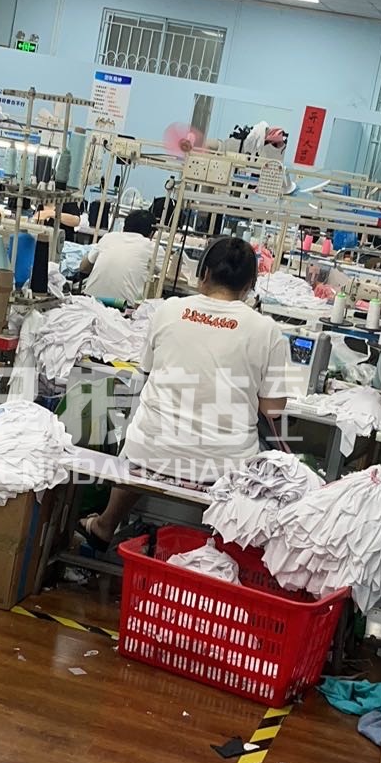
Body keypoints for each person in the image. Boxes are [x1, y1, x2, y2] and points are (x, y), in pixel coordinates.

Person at [80, 235, 290, 548]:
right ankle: (221, 549)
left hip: (149, 455)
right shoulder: (267, 330)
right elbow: (273, 409)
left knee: (148, 431)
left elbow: (146, 370)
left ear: (204, 274)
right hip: (222, 471)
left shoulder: (168, 310)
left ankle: (105, 524)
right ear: (249, 286)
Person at [76, 211, 153, 306]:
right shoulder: (152, 247)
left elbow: (83, 267)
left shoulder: (108, 237)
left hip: (90, 301)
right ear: (152, 233)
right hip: (123, 306)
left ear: (124, 227)